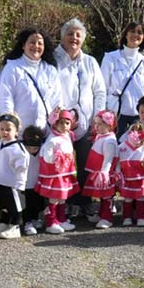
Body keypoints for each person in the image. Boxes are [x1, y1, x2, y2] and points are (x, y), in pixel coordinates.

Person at [54, 18, 106, 222]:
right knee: (62, 165)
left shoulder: (90, 62)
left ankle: (84, 203)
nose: (74, 38)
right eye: (70, 33)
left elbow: (99, 91)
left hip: (86, 123)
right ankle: (63, 203)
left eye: (78, 35)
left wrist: (98, 118)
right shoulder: (53, 59)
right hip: (61, 124)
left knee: (86, 164)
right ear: (63, 37)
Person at [0, 28, 65, 136]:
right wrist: (10, 127)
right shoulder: (12, 67)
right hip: (19, 133)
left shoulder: (50, 70)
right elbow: (6, 99)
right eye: (32, 42)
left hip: (45, 132)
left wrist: (56, 126)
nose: (36, 46)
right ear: (23, 45)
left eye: (40, 43)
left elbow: (57, 101)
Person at [102, 22, 144, 135]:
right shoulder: (110, 58)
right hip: (116, 115)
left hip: (139, 117)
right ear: (126, 35)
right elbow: (103, 87)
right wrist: (103, 112)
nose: (135, 35)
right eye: (132, 31)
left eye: (140, 33)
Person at [37, 108, 79, 234]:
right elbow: (47, 157)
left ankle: (61, 219)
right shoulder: (52, 140)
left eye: (67, 123)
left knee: (62, 198)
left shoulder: (67, 136)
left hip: (65, 173)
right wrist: (57, 157)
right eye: (61, 123)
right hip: (55, 174)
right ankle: (51, 222)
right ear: (54, 124)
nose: (65, 126)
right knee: (54, 198)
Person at [0, 113, 29, 240]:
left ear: (16, 131)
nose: (4, 132)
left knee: (14, 205)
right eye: (1, 129)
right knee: (3, 205)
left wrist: (20, 183)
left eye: (8, 129)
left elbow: (22, 167)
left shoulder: (18, 149)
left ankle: (15, 226)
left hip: (12, 184)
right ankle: (4, 223)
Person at [81, 110, 119, 229]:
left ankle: (107, 217)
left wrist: (104, 172)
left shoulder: (109, 141)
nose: (96, 127)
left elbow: (108, 159)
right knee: (102, 195)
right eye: (95, 124)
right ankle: (102, 214)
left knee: (107, 195)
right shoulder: (102, 137)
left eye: (100, 124)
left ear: (109, 125)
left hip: (104, 173)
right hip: (98, 172)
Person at [117, 123, 144, 227]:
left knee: (141, 199)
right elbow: (118, 159)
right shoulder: (122, 147)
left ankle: (141, 217)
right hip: (128, 177)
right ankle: (127, 217)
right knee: (127, 198)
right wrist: (117, 172)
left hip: (141, 177)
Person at [19, 126, 47, 236]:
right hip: (25, 184)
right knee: (26, 204)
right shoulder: (20, 151)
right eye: (28, 148)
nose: (31, 151)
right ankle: (27, 222)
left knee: (37, 202)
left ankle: (35, 219)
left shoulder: (42, 151)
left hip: (37, 182)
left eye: (35, 149)